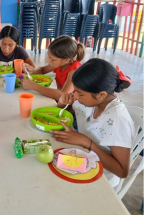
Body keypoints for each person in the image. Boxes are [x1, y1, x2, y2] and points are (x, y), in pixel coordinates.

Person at [51, 58, 134, 189]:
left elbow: (122, 171)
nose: (76, 97)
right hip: (83, 158)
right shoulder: (91, 101)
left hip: (102, 177)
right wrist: (63, 104)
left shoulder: (118, 120)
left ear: (101, 94)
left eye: (80, 94)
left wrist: (86, 142)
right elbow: (72, 109)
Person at [22, 35, 85, 101]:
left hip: (73, 106)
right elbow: (43, 70)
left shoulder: (74, 71)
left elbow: (63, 95)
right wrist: (31, 70)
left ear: (66, 60)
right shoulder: (59, 63)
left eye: (52, 59)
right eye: (49, 57)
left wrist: (34, 86)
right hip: (60, 101)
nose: (48, 61)